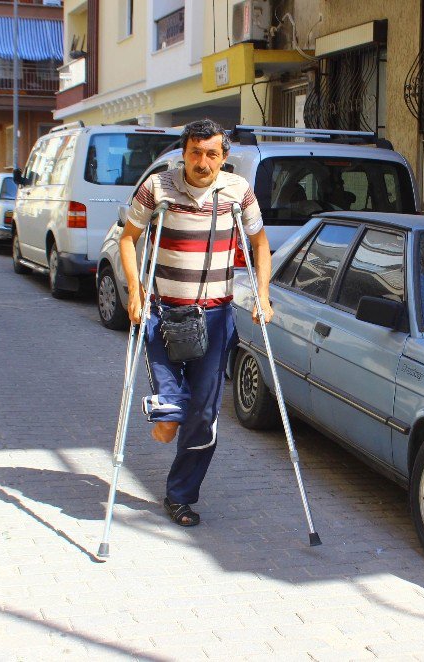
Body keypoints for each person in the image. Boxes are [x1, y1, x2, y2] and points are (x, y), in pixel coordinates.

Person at [118, 119, 273, 528]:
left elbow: (259, 243)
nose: (202, 162)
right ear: (184, 152)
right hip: (164, 313)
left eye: (211, 154)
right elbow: (128, 238)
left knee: (203, 415)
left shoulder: (237, 192)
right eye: (195, 153)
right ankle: (169, 415)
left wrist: (263, 294)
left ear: (223, 157)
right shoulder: (157, 187)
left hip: (216, 316)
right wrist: (135, 291)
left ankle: (180, 496)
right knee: (171, 416)